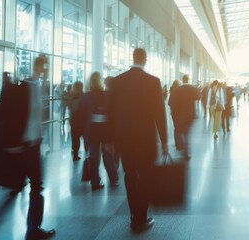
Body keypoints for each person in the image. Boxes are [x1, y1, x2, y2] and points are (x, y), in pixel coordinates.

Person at [0, 55, 55, 239]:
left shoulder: (40, 87)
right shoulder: (24, 88)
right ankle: (33, 229)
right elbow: (12, 117)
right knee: (36, 185)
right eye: (42, 66)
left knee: (36, 185)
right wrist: (12, 143)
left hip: (34, 144)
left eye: (45, 67)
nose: (44, 70)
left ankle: (33, 228)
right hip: (24, 145)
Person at [109, 48, 168, 232]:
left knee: (130, 176)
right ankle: (141, 218)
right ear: (145, 60)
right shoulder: (153, 82)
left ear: (132, 58)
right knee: (146, 177)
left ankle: (134, 214)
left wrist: (110, 139)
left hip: (125, 139)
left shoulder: (118, 81)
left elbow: (111, 113)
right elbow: (160, 114)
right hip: (146, 140)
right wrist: (165, 141)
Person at [79, 72, 119, 190]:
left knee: (94, 156)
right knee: (108, 155)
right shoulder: (107, 95)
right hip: (105, 129)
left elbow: (81, 115)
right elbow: (113, 114)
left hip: (91, 130)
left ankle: (95, 181)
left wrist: (82, 132)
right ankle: (113, 179)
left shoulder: (86, 96)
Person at [168, 74, 200, 159]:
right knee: (187, 132)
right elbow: (199, 97)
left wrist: (173, 112)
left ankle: (182, 147)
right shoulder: (193, 88)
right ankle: (186, 151)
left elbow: (174, 102)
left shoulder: (178, 90)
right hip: (191, 115)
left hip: (181, 115)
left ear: (182, 80)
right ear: (188, 79)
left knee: (182, 132)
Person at [66, 81, 85, 161]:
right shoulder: (83, 96)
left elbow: (70, 106)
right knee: (81, 136)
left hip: (74, 120)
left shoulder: (72, 96)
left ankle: (75, 153)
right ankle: (85, 153)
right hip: (81, 120)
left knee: (75, 137)